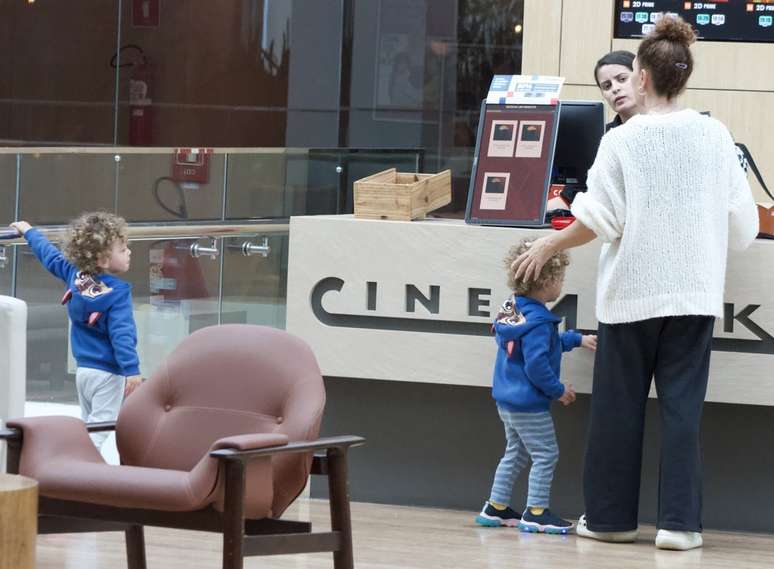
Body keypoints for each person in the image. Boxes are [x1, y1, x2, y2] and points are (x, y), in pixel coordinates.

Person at [511, 16, 759, 550]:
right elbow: (744, 230)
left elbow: (600, 219)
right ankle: (680, 526)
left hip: (629, 299)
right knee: (682, 413)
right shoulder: (716, 136)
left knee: (618, 412)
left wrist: (548, 244)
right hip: (693, 299)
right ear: (684, 76)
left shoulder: (622, 141)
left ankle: (609, 520)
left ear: (642, 77)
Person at [475, 239, 597, 534]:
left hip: (507, 400)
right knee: (546, 454)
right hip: (530, 404)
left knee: (515, 451)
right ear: (548, 281)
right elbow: (537, 365)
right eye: (561, 279)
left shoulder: (513, 309)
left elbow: (539, 346)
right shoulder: (541, 323)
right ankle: (537, 511)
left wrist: (577, 339)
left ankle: (496, 506)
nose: (562, 285)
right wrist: (559, 390)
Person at [10, 212, 143, 449]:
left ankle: (79, 466)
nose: (129, 252)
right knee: (99, 431)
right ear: (102, 259)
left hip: (84, 372)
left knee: (89, 426)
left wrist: (29, 232)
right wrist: (131, 370)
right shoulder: (118, 293)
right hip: (108, 374)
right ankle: (78, 468)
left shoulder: (77, 276)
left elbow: (49, 256)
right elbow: (122, 334)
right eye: (123, 249)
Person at [593, 50, 641, 130]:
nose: (615, 89)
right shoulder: (601, 136)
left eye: (622, 79)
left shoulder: (664, 128)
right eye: (607, 86)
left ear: (641, 78)